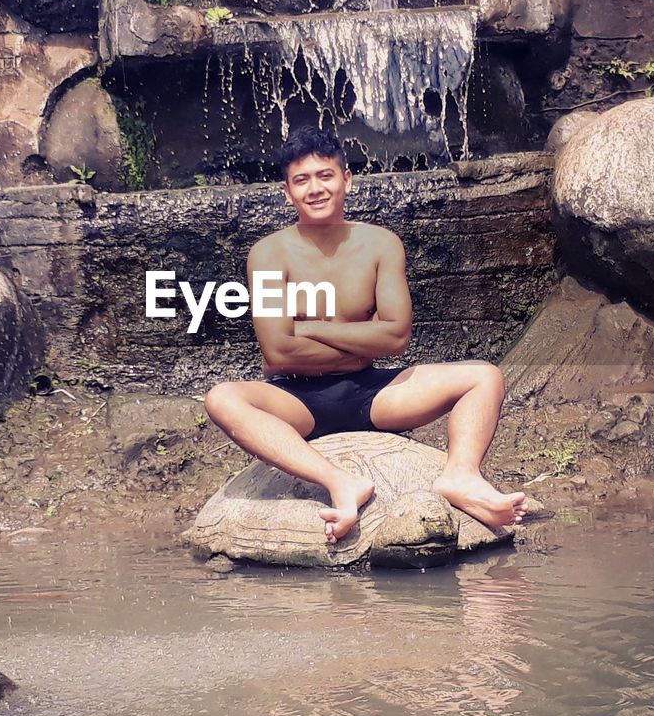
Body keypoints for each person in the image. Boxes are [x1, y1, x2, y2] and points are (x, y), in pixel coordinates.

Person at [204, 127, 528, 544]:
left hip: (372, 394)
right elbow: (279, 351)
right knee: (222, 398)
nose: (315, 188)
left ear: (346, 180)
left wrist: (310, 327)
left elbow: (395, 339)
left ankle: (461, 475)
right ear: (287, 192)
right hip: (295, 400)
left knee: (484, 376)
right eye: (302, 180)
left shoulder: (380, 244)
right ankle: (338, 481)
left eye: (325, 175)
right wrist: (357, 343)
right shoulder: (267, 254)